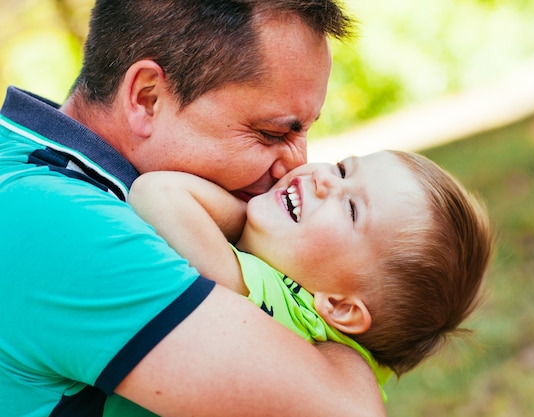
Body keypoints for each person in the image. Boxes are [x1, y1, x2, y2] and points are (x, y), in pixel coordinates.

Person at [0, 1, 390, 416]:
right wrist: (341, 340)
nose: (298, 166)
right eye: (271, 133)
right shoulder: (67, 227)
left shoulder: (34, 168)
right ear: (147, 98)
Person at [104, 149, 493, 415]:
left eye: (352, 209)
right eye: (342, 169)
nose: (325, 179)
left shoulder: (278, 305)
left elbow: (158, 193)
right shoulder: (338, 354)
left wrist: (247, 215)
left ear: (339, 307)